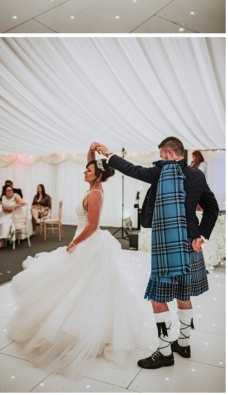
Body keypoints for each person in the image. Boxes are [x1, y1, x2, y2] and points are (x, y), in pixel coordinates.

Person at [7, 144, 146, 375]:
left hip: (87, 243)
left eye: (88, 171)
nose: (84, 172)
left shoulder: (94, 194)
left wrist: (73, 244)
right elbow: (91, 165)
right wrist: (92, 151)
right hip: (86, 241)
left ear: (97, 175)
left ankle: (85, 331)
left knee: (83, 287)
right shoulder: (95, 184)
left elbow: (92, 226)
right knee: (75, 284)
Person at [95, 137, 219, 369]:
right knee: (184, 294)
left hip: (167, 244)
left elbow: (131, 169)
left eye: (162, 155)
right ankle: (183, 343)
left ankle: (164, 352)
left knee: (157, 297)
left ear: (170, 154)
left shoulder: (161, 173)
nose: (160, 160)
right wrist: (201, 235)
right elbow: (212, 207)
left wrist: (108, 154)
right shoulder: (197, 175)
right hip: (190, 243)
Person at [0, 184, 24, 249]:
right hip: (6, 214)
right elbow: (3, 207)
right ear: (5, 191)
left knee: (5, 223)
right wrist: (5, 209)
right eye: (8, 190)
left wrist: (12, 208)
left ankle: (2, 241)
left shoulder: (16, 196)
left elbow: (22, 203)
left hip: (15, 214)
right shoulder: (3, 197)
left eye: (11, 190)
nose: (10, 191)